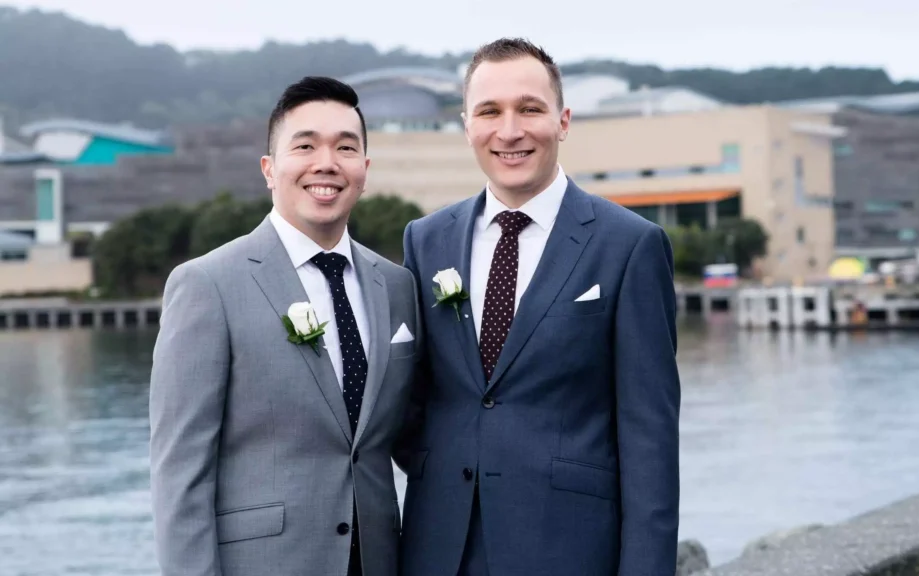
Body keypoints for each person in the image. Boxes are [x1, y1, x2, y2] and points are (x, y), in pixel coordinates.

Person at [396, 38, 681, 576]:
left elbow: (651, 438)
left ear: (563, 120)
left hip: (570, 550)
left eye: (529, 109)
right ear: (466, 125)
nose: (509, 131)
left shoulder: (630, 245)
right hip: (439, 547)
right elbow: (409, 400)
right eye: (489, 112)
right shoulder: (425, 240)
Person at [149, 76, 421, 576]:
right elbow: (180, 472)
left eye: (345, 147)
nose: (326, 162)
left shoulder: (398, 286)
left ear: (364, 168)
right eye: (305, 145)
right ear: (270, 169)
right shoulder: (207, 285)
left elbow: (410, 441)